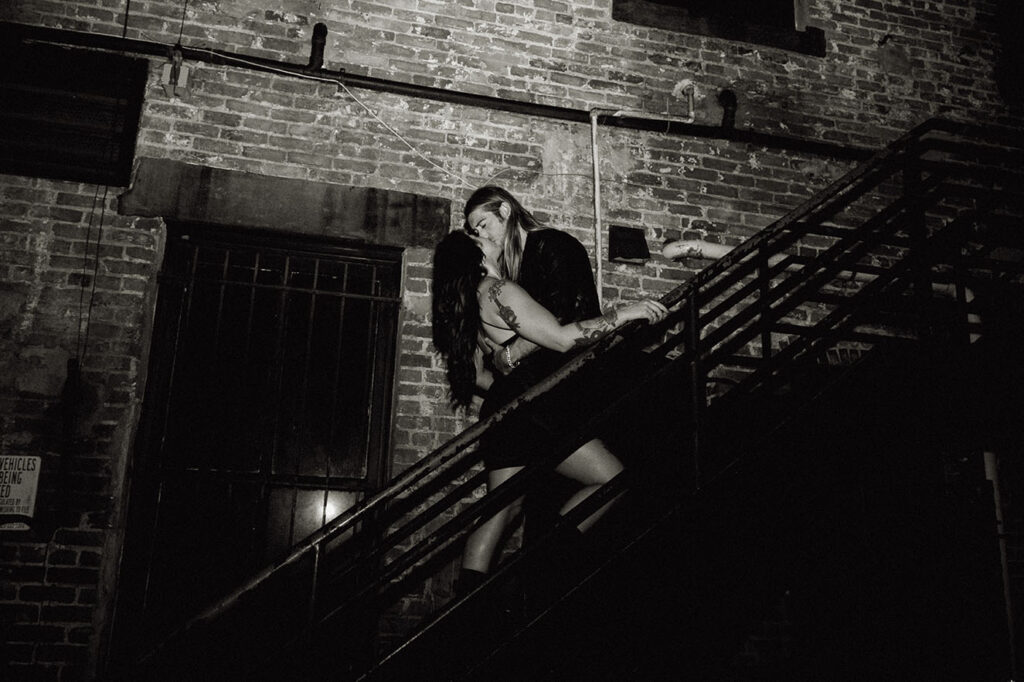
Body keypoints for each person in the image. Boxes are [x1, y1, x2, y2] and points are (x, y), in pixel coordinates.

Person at [431, 229, 668, 595]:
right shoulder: (498, 291)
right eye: (479, 237)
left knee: (502, 509)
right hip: (533, 403)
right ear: (477, 256)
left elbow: (477, 375)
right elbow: (560, 338)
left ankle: (468, 615)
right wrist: (626, 313)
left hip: (505, 409)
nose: (488, 237)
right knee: (613, 479)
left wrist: (510, 394)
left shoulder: (465, 307)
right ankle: (545, 563)